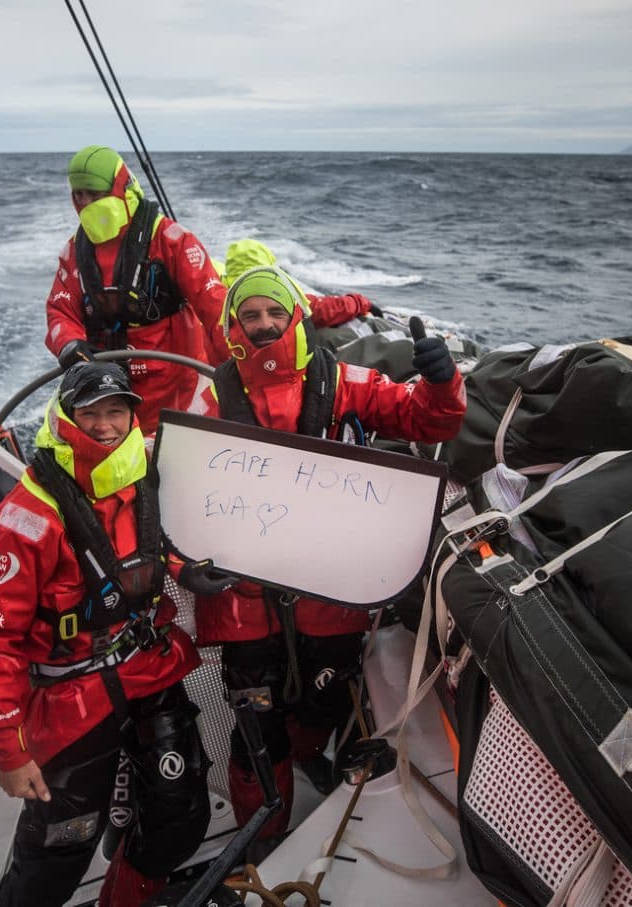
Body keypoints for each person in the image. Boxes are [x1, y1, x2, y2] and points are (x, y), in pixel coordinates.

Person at [188, 264, 466, 850]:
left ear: (295, 317)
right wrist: (183, 568)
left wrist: (442, 381)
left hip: (332, 596)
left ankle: (309, 752)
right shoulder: (210, 396)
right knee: (252, 739)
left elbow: (425, 418)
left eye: (274, 313)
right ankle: (263, 845)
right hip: (245, 605)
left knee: (324, 704)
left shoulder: (341, 380)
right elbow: (178, 491)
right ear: (235, 324)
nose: (263, 326)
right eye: (251, 315)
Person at [0, 361, 210, 907]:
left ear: (132, 416)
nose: (104, 425)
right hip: (69, 699)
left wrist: (182, 570)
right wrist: (10, 752)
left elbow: (156, 543)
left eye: (116, 411)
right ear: (64, 418)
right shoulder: (27, 517)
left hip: (149, 670)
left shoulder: (147, 470)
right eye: (90, 413)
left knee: (180, 818)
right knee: (57, 852)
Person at [45, 145, 228, 435]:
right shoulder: (74, 253)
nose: (85, 203)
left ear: (121, 189)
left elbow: (215, 306)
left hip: (180, 390)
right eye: (79, 195)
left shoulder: (172, 241)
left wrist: (238, 367)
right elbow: (60, 309)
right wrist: (68, 343)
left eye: (95, 195)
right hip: (108, 394)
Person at [221, 239, 380, 329]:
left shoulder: (212, 298)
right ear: (270, 264)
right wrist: (360, 302)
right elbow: (320, 309)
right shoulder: (278, 294)